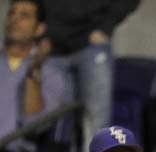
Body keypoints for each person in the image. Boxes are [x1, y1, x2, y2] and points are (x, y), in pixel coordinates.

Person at [0, 0, 66, 152]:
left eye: (24, 15)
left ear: (40, 29)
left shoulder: (50, 74)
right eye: (12, 14)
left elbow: (33, 123)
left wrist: (34, 70)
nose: (14, 20)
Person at [41, 1, 140, 134]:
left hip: (92, 45)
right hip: (51, 49)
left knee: (97, 122)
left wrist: (106, 26)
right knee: (54, 125)